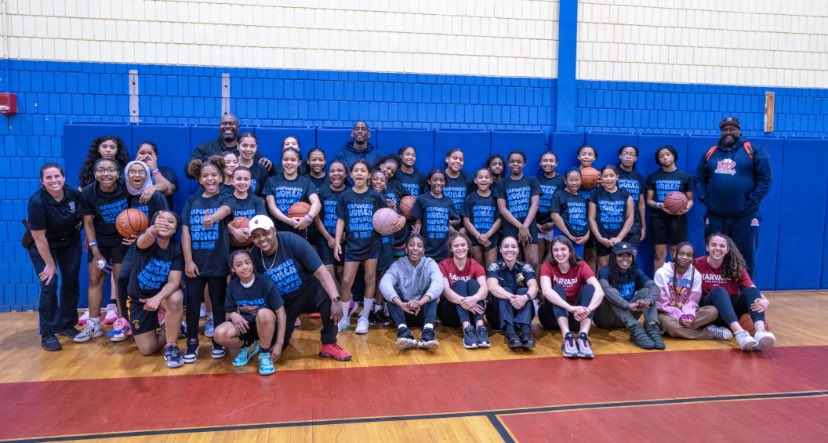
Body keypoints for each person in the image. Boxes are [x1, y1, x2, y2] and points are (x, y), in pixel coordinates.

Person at [248, 215, 352, 361]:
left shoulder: (292, 241)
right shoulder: (253, 256)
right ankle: (277, 339)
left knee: (329, 297)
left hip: (309, 291)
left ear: (274, 231)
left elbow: (323, 273)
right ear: (252, 239)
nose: (262, 239)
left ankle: (329, 343)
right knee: (277, 346)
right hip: (284, 304)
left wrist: (336, 300)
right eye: (256, 236)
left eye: (266, 233)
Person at [694, 117, 772, 277]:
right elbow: (699, 179)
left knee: (744, 257)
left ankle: (746, 294)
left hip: (745, 216)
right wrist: (706, 199)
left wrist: (750, 202)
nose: (728, 132)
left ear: (739, 130)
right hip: (716, 216)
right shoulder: (711, 153)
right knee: (714, 257)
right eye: (724, 130)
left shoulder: (754, 150)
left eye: (731, 129)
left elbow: (766, 179)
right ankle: (715, 291)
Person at [334, 161, 401, 334]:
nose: (359, 173)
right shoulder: (345, 196)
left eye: (363, 170)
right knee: (347, 280)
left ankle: (364, 317)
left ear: (369, 175)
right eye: (356, 170)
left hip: (372, 244)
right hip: (353, 245)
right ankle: (345, 317)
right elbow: (341, 220)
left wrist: (397, 216)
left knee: (370, 279)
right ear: (351, 174)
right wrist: (336, 243)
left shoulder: (375, 196)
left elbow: (386, 217)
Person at [181, 156, 234, 363]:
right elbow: (185, 232)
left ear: (221, 177)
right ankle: (192, 343)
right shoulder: (192, 201)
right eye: (205, 176)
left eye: (214, 175)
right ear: (199, 179)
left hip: (218, 261)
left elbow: (227, 210)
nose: (210, 179)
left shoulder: (226, 197)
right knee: (193, 304)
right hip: (196, 263)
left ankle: (218, 342)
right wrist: (188, 261)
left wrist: (213, 218)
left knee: (218, 304)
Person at [110, 160, 169, 342]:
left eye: (141, 172)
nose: (137, 175)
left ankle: (161, 313)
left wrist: (146, 236)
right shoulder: (126, 196)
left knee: (152, 280)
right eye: (132, 172)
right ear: (126, 176)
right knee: (122, 278)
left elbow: (165, 222)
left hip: (155, 246)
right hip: (134, 246)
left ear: (147, 175)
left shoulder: (155, 196)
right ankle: (125, 320)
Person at [27, 163, 83, 351]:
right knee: (49, 284)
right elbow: (39, 237)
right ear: (42, 181)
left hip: (69, 243)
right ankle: (49, 332)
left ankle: (67, 325)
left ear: (63, 177)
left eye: (57, 176)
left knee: (71, 282)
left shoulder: (73, 194)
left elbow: (83, 218)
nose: (54, 180)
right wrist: (50, 265)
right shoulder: (37, 201)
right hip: (43, 245)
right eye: (48, 178)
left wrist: (87, 238)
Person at [77, 158, 131, 343]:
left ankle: (123, 323)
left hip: (122, 240)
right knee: (95, 279)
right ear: (94, 174)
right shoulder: (87, 192)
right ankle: (93, 324)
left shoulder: (127, 188)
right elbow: (88, 222)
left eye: (110, 170)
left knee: (120, 280)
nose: (106, 173)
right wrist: (94, 248)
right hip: (99, 240)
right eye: (101, 169)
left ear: (118, 173)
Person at [695, 234, 776, 351]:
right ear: (707, 247)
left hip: (732, 312)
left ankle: (760, 331)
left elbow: (752, 287)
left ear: (727, 250)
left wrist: (765, 300)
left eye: (722, 246)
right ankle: (740, 334)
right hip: (711, 311)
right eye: (713, 245)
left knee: (751, 291)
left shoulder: (735, 266)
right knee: (719, 290)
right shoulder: (696, 264)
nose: (717, 248)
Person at [126, 210, 185, 368]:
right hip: (140, 299)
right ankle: (172, 328)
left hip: (161, 296)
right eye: (161, 220)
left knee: (176, 298)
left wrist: (157, 298)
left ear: (175, 230)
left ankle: (171, 346)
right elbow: (144, 240)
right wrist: (152, 230)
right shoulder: (146, 240)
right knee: (148, 349)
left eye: (171, 222)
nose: (165, 223)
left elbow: (174, 281)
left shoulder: (176, 248)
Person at [214, 250, 286, 376]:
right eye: (239, 265)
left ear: (252, 263)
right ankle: (249, 346)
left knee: (264, 313)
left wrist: (279, 344)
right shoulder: (232, 286)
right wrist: (233, 314)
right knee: (219, 334)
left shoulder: (265, 282)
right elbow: (227, 313)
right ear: (233, 269)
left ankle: (264, 354)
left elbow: (281, 314)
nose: (245, 267)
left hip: (265, 328)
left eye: (247, 262)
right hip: (245, 327)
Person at [538, 236, 604, 358]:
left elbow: (600, 292)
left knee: (590, 288)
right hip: (551, 318)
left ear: (570, 251)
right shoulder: (547, 265)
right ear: (551, 253)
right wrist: (569, 307)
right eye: (555, 250)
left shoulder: (581, 265)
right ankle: (567, 337)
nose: (559, 253)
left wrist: (588, 310)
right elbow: (546, 291)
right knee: (557, 288)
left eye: (563, 249)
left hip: (575, 318)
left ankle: (583, 336)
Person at [654, 242, 731, 341]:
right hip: (667, 314)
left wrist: (689, 315)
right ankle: (709, 334)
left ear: (692, 259)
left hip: (688, 313)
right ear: (674, 255)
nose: (685, 257)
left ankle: (676, 330)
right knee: (668, 323)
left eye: (689, 255)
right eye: (681, 254)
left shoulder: (696, 275)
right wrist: (680, 316)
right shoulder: (661, 273)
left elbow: (692, 300)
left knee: (712, 311)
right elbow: (661, 303)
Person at [594, 242, 664, 350]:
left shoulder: (635, 270)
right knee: (610, 292)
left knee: (646, 291)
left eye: (628, 255)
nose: (625, 259)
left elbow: (654, 286)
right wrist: (627, 305)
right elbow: (605, 289)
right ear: (614, 257)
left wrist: (649, 300)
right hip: (606, 319)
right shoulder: (605, 271)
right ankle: (635, 329)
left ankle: (652, 327)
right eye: (620, 255)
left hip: (627, 316)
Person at [379, 234, 444, 350]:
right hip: (404, 311)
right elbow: (384, 283)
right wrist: (400, 303)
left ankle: (428, 333)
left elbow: (439, 283)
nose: (415, 248)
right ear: (406, 249)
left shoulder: (430, 263)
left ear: (423, 250)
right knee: (392, 291)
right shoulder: (397, 264)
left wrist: (421, 301)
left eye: (419, 246)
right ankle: (403, 331)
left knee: (432, 289)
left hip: (423, 311)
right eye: (411, 245)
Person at [438, 234, 490, 349]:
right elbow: (445, 290)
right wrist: (465, 303)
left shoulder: (476, 265)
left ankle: (480, 328)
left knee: (473, 283)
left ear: (468, 247)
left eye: (463, 245)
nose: (460, 248)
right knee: (460, 283)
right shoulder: (443, 265)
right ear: (451, 249)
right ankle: (467, 329)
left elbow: (484, 288)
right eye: (456, 246)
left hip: (473, 311)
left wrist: (474, 299)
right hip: (450, 314)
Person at [486, 236, 538, 349]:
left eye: (513, 246)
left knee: (524, 291)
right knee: (504, 290)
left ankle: (526, 333)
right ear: (500, 249)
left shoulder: (525, 266)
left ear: (518, 249)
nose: (510, 249)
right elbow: (492, 287)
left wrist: (524, 297)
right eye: (506, 246)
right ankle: (511, 334)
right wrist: (511, 297)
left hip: (520, 311)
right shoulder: (494, 266)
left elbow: (534, 286)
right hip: (497, 315)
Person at [646, 145, 693, 270]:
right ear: (658, 160)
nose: (665, 158)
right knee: (659, 254)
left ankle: (675, 284)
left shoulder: (685, 176)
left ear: (674, 156)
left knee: (676, 254)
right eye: (661, 156)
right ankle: (658, 287)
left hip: (678, 218)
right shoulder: (653, 177)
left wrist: (686, 208)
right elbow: (649, 200)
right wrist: (659, 205)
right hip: (658, 217)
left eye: (667, 154)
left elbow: (690, 200)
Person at [496, 151, 542, 272]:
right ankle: (519, 289)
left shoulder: (532, 180)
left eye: (519, 161)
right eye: (512, 161)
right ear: (508, 163)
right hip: (510, 226)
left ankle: (535, 289)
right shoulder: (502, 183)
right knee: (515, 263)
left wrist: (525, 226)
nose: (515, 164)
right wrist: (520, 227)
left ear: (524, 164)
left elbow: (535, 204)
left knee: (533, 262)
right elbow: (502, 209)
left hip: (529, 225)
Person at [262, 147, 321, 236]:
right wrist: (288, 221)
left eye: (293, 160)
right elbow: (272, 209)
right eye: (285, 159)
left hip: (299, 229)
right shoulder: (271, 181)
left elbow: (317, 203)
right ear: (281, 161)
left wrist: (307, 218)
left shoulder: (306, 182)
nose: (289, 163)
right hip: (278, 230)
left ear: (299, 162)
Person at [188, 114, 271, 175]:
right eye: (224, 123)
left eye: (231, 123)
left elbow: (266, 171)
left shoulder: (246, 150)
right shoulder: (205, 148)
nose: (227, 126)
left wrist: (268, 163)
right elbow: (188, 171)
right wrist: (209, 161)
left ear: (238, 128)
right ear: (220, 127)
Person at [588, 165, 634, 268]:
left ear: (617, 177)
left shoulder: (625, 194)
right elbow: (591, 218)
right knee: (603, 267)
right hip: (602, 237)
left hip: (620, 237)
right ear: (601, 178)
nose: (608, 179)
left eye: (611, 175)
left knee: (620, 267)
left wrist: (619, 237)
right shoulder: (596, 194)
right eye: (605, 176)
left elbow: (630, 218)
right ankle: (602, 285)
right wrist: (600, 238)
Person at [412, 169, 461, 261]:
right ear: (429, 181)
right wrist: (416, 237)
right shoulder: (422, 199)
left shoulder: (448, 201)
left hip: (443, 248)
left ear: (445, 182)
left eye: (441, 180)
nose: (438, 183)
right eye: (435, 180)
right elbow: (418, 222)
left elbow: (457, 219)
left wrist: (447, 222)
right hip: (427, 247)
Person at [314, 161, 348, 292]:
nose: (336, 174)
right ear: (328, 174)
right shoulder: (322, 192)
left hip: (345, 241)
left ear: (346, 174)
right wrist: (328, 237)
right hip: (325, 238)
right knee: (329, 273)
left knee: (341, 273)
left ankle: (346, 302)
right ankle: (341, 304)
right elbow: (316, 218)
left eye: (339, 170)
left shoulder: (350, 192)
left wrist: (346, 233)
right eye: (332, 171)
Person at [462, 168, 501, 268]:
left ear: (491, 180)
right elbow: (466, 221)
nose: (483, 180)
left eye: (487, 177)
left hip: (491, 238)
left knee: (491, 268)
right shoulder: (470, 198)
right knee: (478, 268)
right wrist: (478, 236)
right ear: (475, 180)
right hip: (475, 238)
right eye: (480, 177)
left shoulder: (496, 198)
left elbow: (499, 219)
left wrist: (487, 235)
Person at [550, 169, 590, 258]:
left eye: (577, 180)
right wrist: (569, 235)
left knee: (577, 263)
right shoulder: (559, 194)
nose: (574, 183)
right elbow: (554, 215)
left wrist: (587, 236)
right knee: (562, 261)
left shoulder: (582, 198)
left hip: (579, 240)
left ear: (581, 180)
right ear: (565, 181)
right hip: (563, 237)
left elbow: (586, 219)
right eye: (571, 180)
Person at [616, 145, 646, 250]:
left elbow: (641, 204)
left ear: (636, 158)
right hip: (615, 220)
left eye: (632, 154)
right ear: (620, 156)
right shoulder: (612, 174)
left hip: (635, 222)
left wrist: (643, 226)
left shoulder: (639, 177)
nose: (628, 157)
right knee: (616, 256)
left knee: (631, 255)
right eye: (625, 153)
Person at [537, 151, 564, 265]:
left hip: (553, 225)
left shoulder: (562, 181)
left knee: (551, 259)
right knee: (537, 259)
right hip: (538, 224)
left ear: (556, 164)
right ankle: (537, 282)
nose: (548, 163)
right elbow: (531, 204)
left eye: (551, 161)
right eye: (545, 160)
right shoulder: (536, 180)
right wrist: (535, 223)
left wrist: (553, 223)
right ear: (540, 163)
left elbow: (565, 205)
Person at [135, 141, 179, 209]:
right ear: (136, 155)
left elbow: (169, 190)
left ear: (156, 156)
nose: (146, 156)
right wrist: (135, 167)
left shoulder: (166, 170)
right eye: (142, 153)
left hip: (159, 214)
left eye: (150, 153)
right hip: (136, 213)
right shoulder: (129, 172)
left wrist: (154, 169)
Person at [442, 149, 473, 213]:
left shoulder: (467, 178)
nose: (458, 161)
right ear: (447, 159)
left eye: (461, 160)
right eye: (455, 158)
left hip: (461, 219)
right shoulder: (439, 176)